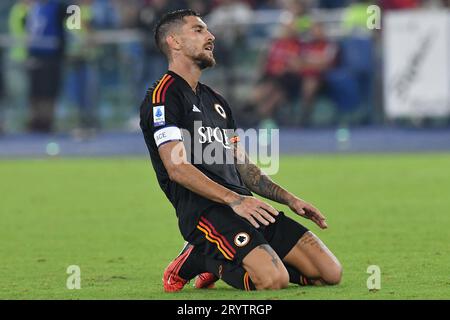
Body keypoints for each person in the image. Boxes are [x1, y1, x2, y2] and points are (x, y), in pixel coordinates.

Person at [139, 9, 342, 292]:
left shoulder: (216, 101)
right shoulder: (164, 96)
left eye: (208, 30)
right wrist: (234, 200)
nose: (210, 36)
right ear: (174, 41)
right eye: (198, 30)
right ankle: (202, 258)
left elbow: (244, 168)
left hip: (245, 206)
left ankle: (229, 255)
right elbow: (177, 168)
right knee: (273, 280)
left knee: (329, 273)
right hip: (207, 212)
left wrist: (289, 199)